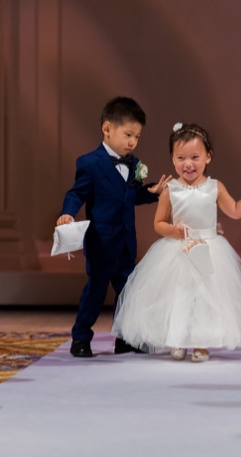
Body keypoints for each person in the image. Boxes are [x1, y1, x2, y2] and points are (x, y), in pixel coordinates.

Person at [114, 123, 241, 362]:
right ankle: (178, 339)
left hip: (208, 249)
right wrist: (173, 231)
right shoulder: (170, 190)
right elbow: (159, 223)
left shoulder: (214, 187)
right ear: (173, 160)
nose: (188, 163)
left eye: (195, 157)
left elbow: (235, 210)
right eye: (181, 157)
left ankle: (202, 343)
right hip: (178, 249)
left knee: (205, 298)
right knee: (180, 296)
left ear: (208, 157)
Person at [56, 97, 167, 358]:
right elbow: (76, 194)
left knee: (129, 293)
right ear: (108, 129)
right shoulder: (90, 163)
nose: (132, 142)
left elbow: (130, 196)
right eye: (128, 134)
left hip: (126, 243)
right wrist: (66, 213)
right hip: (101, 244)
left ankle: (125, 338)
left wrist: (153, 192)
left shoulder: (133, 163)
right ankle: (81, 338)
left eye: (137, 137)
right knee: (95, 293)